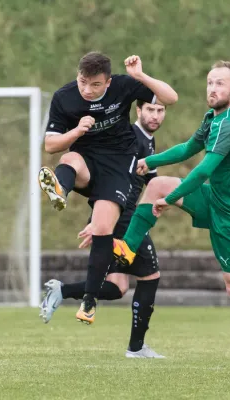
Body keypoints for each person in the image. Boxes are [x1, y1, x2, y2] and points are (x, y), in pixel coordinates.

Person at [110, 61, 230, 378]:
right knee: (157, 183)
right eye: (209, 82)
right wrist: (150, 160)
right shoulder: (215, 117)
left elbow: (204, 169)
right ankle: (127, 249)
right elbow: (188, 148)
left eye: (220, 83)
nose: (212, 88)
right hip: (216, 200)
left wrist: (169, 201)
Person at [38, 51, 178, 324]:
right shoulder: (64, 97)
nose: (87, 90)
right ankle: (59, 190)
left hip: (117, 165)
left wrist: (139, 76)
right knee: (68, 159)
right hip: (86, 160)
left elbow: (171, 98)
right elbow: (51, 145)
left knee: (103, 229)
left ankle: (89, 301)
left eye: (95, 85)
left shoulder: (125, 86)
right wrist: (77, 131)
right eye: (82, 82)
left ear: (108, 82)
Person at [40, 100, 166, 358]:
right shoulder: (129, 137)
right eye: (150, 110)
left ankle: (62, 290)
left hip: (123, 214)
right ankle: (137, 348)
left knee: (118, 286)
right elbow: (109, 178)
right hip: (126, 217)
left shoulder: (148, 142)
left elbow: (152, 182)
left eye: (160, 110)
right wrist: (98, 218)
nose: (155, 115)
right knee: (150, 277)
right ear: (138, 110)